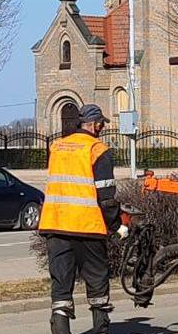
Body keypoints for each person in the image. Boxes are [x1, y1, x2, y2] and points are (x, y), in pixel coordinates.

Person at [39, 104, 128, 334]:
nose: (102, 128)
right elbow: (106, 196)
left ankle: (60, 328)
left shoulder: (56, 147)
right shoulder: (98, 149)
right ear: (96, 124)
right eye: (101, 124)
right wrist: (117, 225)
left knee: (61, 283)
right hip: (87, 226)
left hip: (55, 225)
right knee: (97, 278)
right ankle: (100, 327)